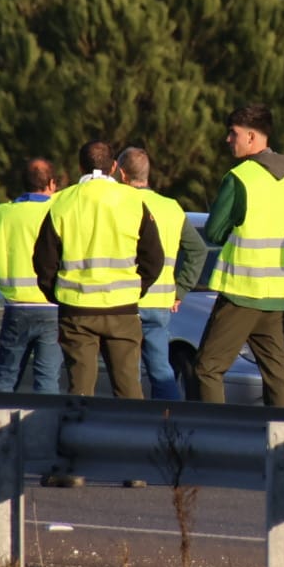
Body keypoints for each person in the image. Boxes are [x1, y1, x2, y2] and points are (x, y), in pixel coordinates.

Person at [194, 104, 284, 407]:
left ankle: (215, 440)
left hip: (242, 293)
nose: (227, 140)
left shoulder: (240, 177)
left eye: (232, 134)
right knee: (277, 374)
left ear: (250, 137)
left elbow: (215, 232)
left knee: (208, 368)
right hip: (279, 295)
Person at [33, 141, 163, 400]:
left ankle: (80, 438)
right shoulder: (133, 201)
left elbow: (44, 260)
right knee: (129, 390)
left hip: (77, 310)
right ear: (114, 166)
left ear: (80, 166)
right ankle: (131, 440)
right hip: (123, 309)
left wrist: (58, 295)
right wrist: (136, 288)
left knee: (80, 391)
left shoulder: (62, 202)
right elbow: (154, 258)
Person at [114, 146, 207, 400]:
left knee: (126, 373)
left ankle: (127, 429)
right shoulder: (172, 207)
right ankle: (170, 425)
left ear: (122, 174)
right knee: (161, 370)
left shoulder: (119, 204)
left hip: (125, 301)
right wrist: (181, 290)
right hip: (161, 302)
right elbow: (198, 250)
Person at [0, 158, 63, 394]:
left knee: (5, 379)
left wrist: (3, 275)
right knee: (47, 383)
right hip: (53, 307)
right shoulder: (60, 212)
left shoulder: (1, 216)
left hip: (16, 307)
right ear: (52, 184)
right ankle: (44, 430)